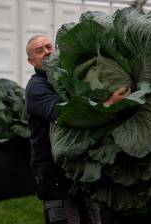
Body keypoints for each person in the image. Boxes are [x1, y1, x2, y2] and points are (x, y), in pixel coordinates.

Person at [25, 34, 130, 224]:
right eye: (39, 51)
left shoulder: (67, 76)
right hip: (54, 172)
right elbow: (66, 115)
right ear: (31, 61)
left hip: (84, 165)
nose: (46, 53)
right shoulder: (36, 87)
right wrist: (109, 103)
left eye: (49, 47)